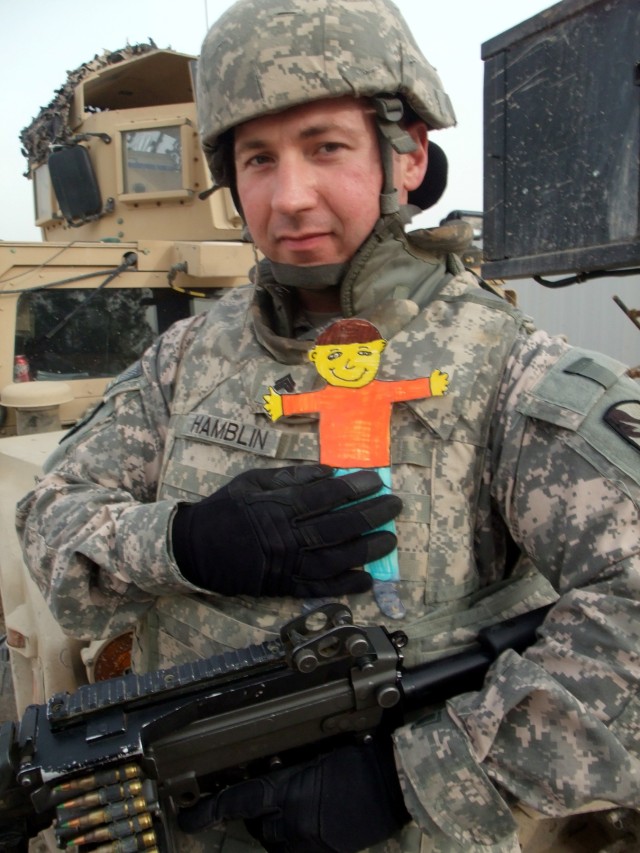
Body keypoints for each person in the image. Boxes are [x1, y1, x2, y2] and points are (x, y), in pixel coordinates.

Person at [16, 0, 640, 851]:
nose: (290, 195)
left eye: (326, 147)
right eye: (258, 159)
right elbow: (50, 514)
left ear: (408, 153)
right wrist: (185, 542)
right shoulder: (185, 357)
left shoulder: (508, 371)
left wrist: (419, 776)